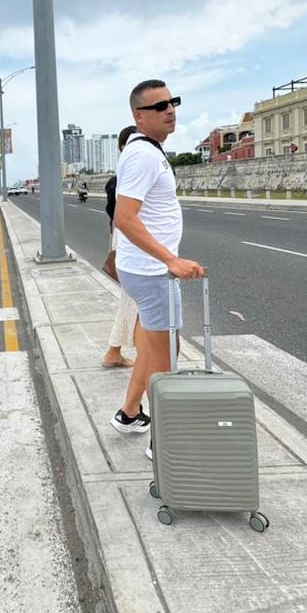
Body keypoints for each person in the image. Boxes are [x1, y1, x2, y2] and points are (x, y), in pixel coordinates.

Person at [110, 80, 204, 456]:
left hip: (147, 268)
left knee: (154, 344)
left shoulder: (147, 149)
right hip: (151, 270)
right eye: (159, 106)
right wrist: (171, 259)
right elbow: (124, 218)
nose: (170, 110)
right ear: (138, 116)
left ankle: (129, 413)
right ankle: (164, 444)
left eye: (173, 102)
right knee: (167, 354)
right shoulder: (142, 156)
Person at [102, 126, 139, 368]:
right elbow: (122, 217)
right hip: (131, 242)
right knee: (133, 299)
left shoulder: (123, 178)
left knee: (134, 299)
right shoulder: (123, 180)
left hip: (127, 240)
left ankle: (116, 351)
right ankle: (114, 352)